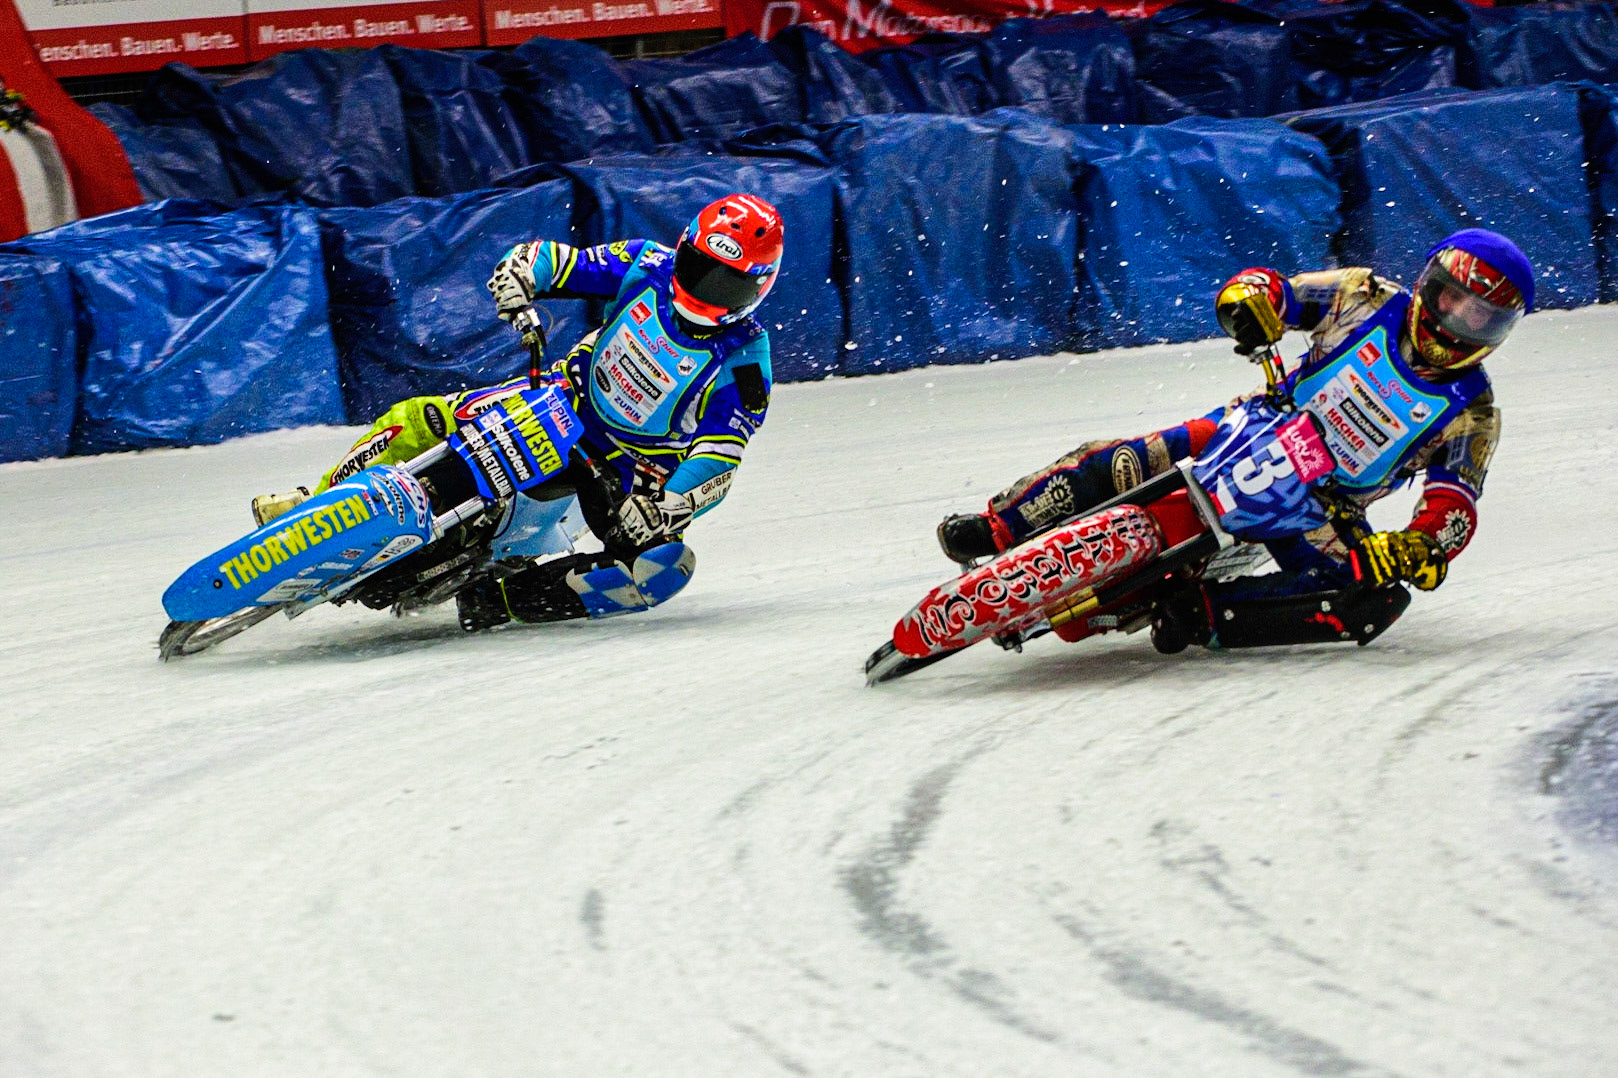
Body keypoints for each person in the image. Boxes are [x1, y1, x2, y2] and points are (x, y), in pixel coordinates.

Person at [935, 228, 1532, 652]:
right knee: (1126, 459)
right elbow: (1281, 291)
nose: (1455, 321)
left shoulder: (1473, 413)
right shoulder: (1364, 296)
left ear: (1498, 333)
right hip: (1248, 430)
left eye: (1478, 317)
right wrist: (1254, 300)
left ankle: (1207, 617)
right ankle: (1000, 524)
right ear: (1429, 281)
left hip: (1324, 508)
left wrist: (1420, 546)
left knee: (1371, 600)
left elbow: (1455, 505)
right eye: (1451, 299)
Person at [251, 193, 785, 631]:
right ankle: (312, 503)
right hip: (562, 400)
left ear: (759, 287)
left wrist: (669, 506)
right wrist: (520, 275)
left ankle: (502, 599)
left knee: (660, 570)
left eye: (726, 283)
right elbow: (561, 262)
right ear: (684, 247)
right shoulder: (647, 263)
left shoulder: (745, 358)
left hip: (628, 472)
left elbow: (720, 455)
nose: (702, 289)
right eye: (698, 268)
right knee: (420, 417)